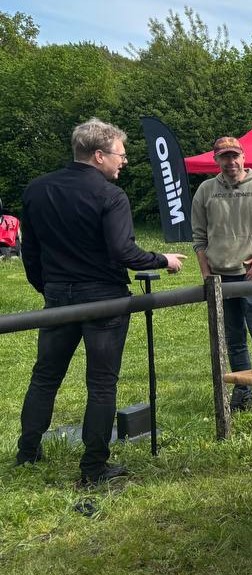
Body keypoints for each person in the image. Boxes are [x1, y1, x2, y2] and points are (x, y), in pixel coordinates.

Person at [16, 118, 185, 486]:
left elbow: (29, 251)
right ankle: (93, 468)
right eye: (120, 155)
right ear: (98, 155)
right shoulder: (110, 196)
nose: (123, 161)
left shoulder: (37, 189)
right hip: (104, 299)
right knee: (102, 383)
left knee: (45, 376)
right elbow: (122, 250)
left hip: (59, 295)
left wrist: (48, 287)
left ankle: (27, 453)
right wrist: (163, 259)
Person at [192, 135, 252, 412]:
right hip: (220, 279)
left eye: (235, 156)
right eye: (224, 156)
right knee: (233, 340)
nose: (230, 162)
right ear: (216, 160)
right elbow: (199, 237)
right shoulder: (206, 191)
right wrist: (207, 275)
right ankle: (243, 391)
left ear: (243, 157)